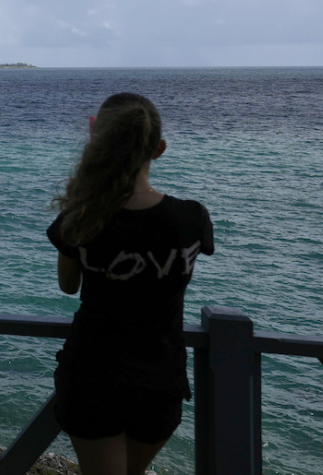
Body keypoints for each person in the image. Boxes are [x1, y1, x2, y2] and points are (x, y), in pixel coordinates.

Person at [46, 92, 214, 475]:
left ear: (96, 140)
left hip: (92, 376)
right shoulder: (191, 219)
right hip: (160, 380)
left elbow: (68, 286)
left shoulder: (83, 217)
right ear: (160, 149)